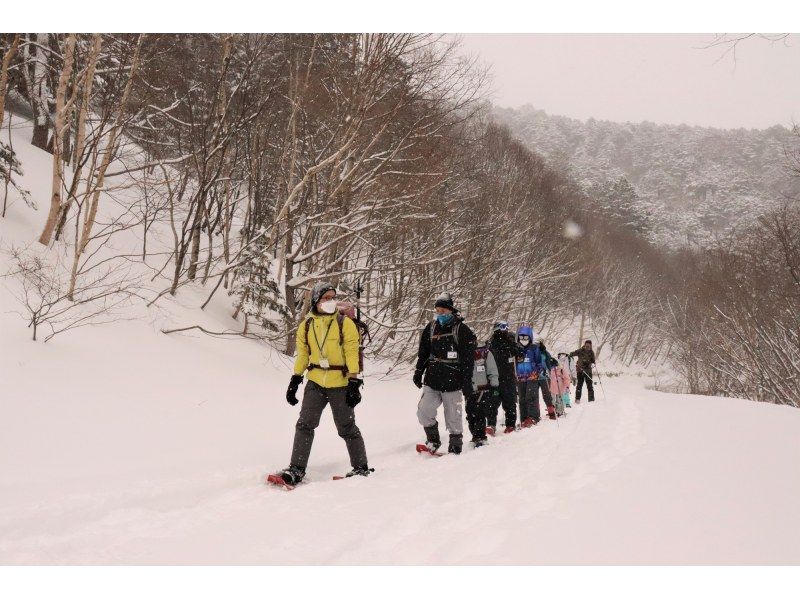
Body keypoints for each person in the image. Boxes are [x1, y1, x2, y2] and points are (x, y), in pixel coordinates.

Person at [278, 281, 370, 485]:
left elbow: (352, 351)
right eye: (326, 298)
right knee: (304, 425)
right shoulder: (307, 324)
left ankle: (360, 467)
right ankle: (296, 469)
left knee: (346, 427)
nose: (330, 301)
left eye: (332, 297)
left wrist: (354, 381)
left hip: (341, 383)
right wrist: (295, 379)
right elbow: (303, 354)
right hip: (316, 382)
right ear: (316, 301)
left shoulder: (344, 323)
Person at [413, 292, 477, 455]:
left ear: (451, 311)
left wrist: (467, 382)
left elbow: (468, 360)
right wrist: (419, 371)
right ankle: (433, 440)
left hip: (453, 380)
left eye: (443, 311)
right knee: (424, 410)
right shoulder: (431, 327)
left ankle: (456, 442)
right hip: (432, 379)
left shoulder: (461, 330)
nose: (440, 314)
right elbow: (423, 352)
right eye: (437, 311)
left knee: (453, 415)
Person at [515, 326, 556, 426]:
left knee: (531, 397)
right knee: (522, 398)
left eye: (526, 338)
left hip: (532, 376)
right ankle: (524, 418)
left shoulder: (534, 348)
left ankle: (533, 417)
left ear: (530, 338)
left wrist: (537, 371)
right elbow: (514, 363)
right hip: (521, 377)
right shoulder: (516, 349)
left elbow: (539, 362)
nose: (523, 340)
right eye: (521, 338)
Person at [486, 321, 520, 435]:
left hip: (508, 379)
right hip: (494, 379)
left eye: (506, 328)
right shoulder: (490, 343)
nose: (504, 330)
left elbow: (520, 354)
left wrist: (513, 344)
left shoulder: (510, 342)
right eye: (502, 328)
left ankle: (510, 425)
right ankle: (491, 425)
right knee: (492, 403)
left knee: (510, 403)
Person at [467, 343, 499, 447]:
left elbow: (492, 370)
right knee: (470, 414)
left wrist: (494, 385)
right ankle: (475, 435)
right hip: (469, 390)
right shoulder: (463, 352)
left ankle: (480, 437)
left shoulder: (484, 353)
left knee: (479, 414)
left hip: (482, 389)